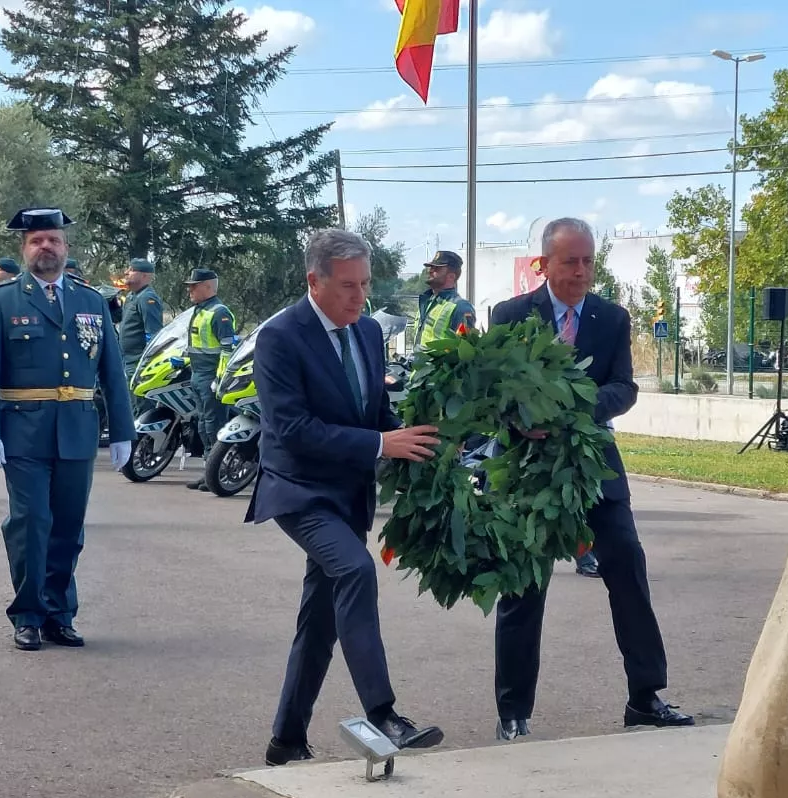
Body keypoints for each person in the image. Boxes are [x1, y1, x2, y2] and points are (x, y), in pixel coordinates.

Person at [487, 218, 695, 741]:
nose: (580, 272)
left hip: (594, 461)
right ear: (545, 264)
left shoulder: (611, 317)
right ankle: (513, 711)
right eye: (570, 262)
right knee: (524, 582)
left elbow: (624, 388)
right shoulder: (510, 315)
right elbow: (493, 393)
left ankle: (645, 698)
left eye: (587, 262)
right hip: (528, 469)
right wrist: (519, 418)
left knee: (626, 562)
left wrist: (571, 407)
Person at [249, 227, 445, 766]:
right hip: (299, 491)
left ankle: (286, 740)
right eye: (348, 287)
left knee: (319, 620)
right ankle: (383, 713)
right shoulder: (280, 337)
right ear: (315, 282)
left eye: (366, 284)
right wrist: (382, 442)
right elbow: (292, 429)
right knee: (355, 569)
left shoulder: (366, 334)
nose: (361, 297)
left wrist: (418, 442)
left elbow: (374, 414)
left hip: (348, 493)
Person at [0, 208, 134, 651]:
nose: (47, 247)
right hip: (22, 431)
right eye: (37, 241)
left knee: (68, 526)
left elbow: (112, 371)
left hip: (77, 429)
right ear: (24, 249)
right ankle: (28, 613)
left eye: (54, 241)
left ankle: (59, 612)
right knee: (30, 521)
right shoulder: (0, 301)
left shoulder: (90, 301)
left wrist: (122, 430)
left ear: (66, 248)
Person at [182, 267, 237, 490]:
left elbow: (227, 350)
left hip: (210, 377)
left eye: (193, 287)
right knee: (203, 425)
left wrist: (220, 378)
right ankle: (208, 472)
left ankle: (219, 471)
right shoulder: (199, 310)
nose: (190, 291)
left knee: (214, 425)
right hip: (197, 374)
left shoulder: (219, 312)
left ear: (207, 287)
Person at [414, 250, 475, 347]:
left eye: (437, 268)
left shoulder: (461, 307)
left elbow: (464, 347)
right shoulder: (427, 301)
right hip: (419, 361)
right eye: (431, 267)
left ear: (451, 276)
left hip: (439, 362)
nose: (430, 270)